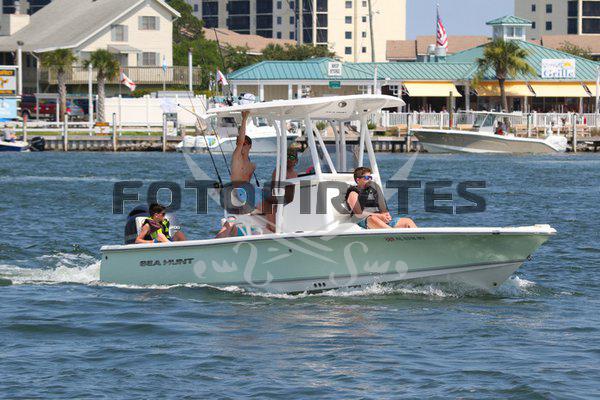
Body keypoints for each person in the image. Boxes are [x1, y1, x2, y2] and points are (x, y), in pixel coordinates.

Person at [346, 167, 417, 229]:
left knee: (408, 221)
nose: (369, 180)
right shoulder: (353, 194)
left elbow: (382, 209)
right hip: (363, 220)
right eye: (367, 178)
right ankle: (393, 234)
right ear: (358, 180)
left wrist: (386, 215)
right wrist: (379, 216)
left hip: (379, 219)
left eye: (370, 177)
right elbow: (358, 214)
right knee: (373, 219)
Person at [263, 148, 299, 232]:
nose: (289, 159)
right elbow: (274, 188)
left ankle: (272, 227)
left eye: (292, 157)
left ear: (296, 161)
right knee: (269, 202)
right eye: (287, 157)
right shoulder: (279, 170)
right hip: (280, 196)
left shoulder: (295, 174)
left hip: (291, 198)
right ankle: (272, 227)